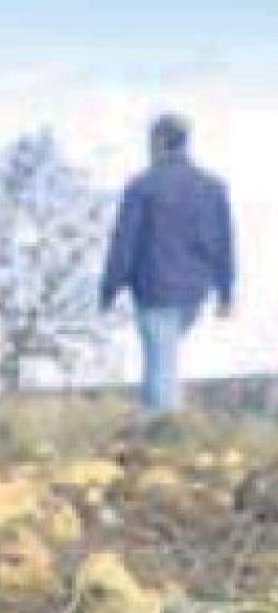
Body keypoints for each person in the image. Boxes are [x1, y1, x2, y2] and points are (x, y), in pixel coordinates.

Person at [101, 113, 235, 415]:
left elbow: (124, 241)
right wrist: (225, 293)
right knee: (164, 356)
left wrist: (108, 289)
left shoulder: (142, 187)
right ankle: (160, 418)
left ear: (159, 142)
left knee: (160, 359)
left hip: (154, 286)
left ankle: (164, 426)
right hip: (194, 290)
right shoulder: (212, 188)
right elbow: (224, 243)